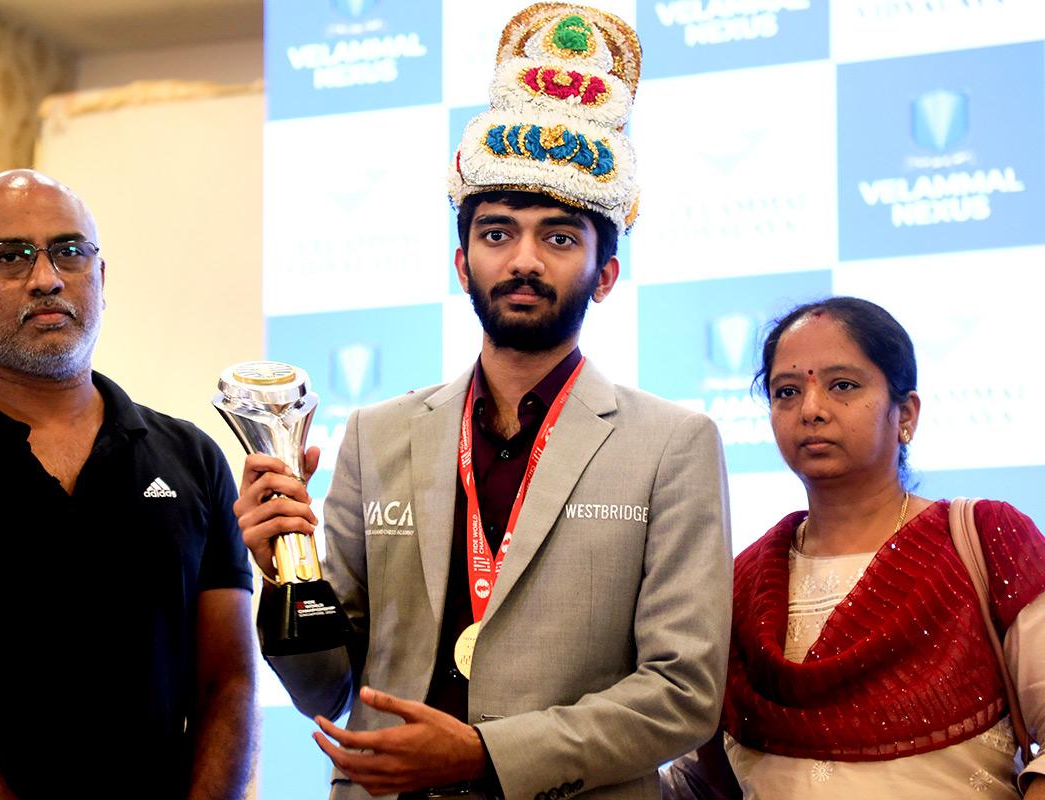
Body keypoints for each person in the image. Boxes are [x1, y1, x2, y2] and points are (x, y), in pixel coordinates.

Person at [236, 5, 732, 799]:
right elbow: (324, 688)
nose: (524, 260)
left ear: (606, 274)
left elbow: (684, 694)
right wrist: (285, 578)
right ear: (462, 263)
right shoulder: (378, 435)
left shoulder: (672, 444)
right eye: (497, 234)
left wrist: (487, 755)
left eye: (560, 238)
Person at [0, 170, 258, 800]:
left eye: (69, 251)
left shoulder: (192, 458)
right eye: (9, 256)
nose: (46, 278)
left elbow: (227, 685)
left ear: (100, 277)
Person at [665, 296, 1045, 799]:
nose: (812, 409)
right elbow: (700, 780)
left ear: (905, 413)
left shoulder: (983, 538)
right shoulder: (742, 583)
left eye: (843, 386)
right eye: (787, 391)